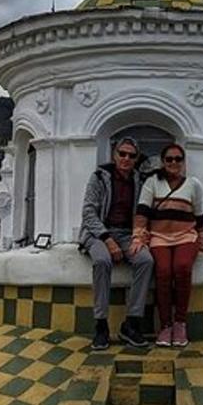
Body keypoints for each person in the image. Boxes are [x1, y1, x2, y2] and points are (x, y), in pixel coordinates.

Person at [133, 142, 203, 347]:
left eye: (178, 159)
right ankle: (165, 325)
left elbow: (199, 215)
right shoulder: (153, 183)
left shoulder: (193, 184)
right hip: (159, 237)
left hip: (186, 236)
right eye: (169, 159)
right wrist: (137, 237)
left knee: (182, 267)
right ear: (163, 161)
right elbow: (142, 212)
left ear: (184, 162)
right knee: (163, 272)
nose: (173, 163)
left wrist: (202, 241)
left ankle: (180, 322)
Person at [80, 137, 153, 350]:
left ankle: (131, 322)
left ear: (136, 158)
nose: (126, 159)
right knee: (102, 261)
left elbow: (144, 210)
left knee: (145, 260)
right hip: (98, 232)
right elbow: (88, 212)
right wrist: (106, 238)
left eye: (131, 155)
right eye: (122, 154)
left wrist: (140, 235)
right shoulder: (99, 177)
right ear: (114, 154)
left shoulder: (139, 181)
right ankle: (101, 324)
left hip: (126, 234)